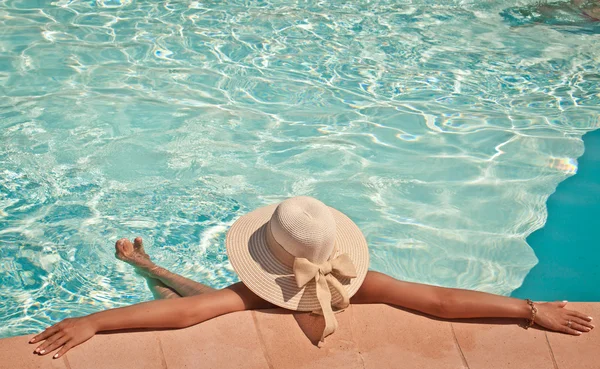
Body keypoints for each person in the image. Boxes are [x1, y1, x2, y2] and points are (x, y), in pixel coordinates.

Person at [29, 197, 594, 359]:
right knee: (216, 298)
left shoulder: (252, 292)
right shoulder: (359, 280)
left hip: (243, 302)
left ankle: (148, 269)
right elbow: (440, 300)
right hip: (263, 297)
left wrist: (94, 321)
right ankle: (150, 268)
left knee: (217, 299)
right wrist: (527, 309)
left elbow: (190, 312)